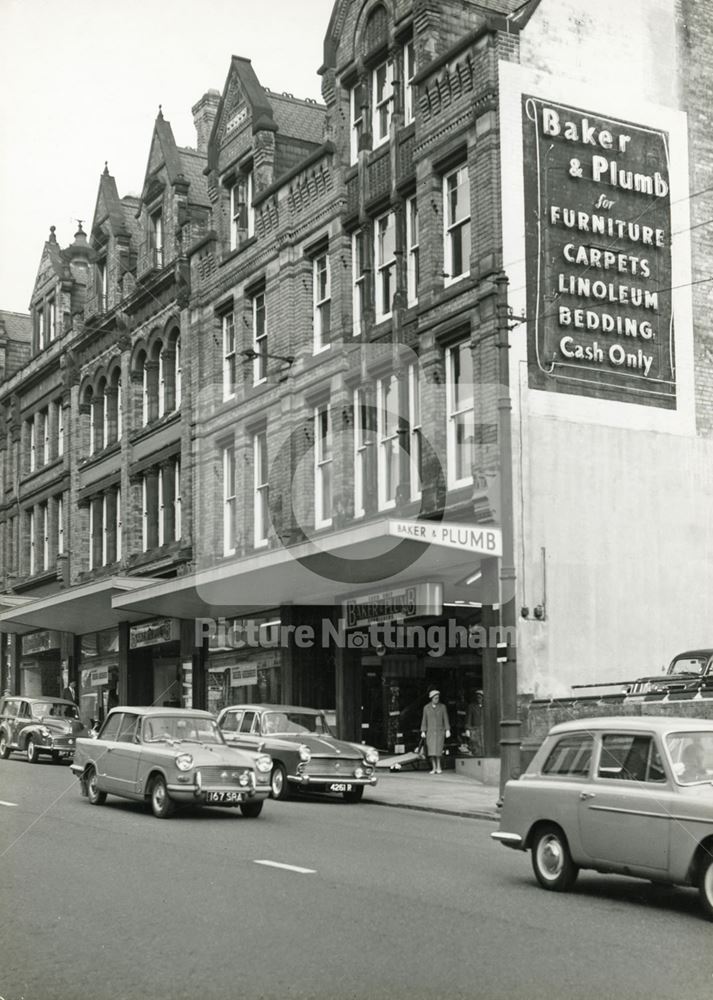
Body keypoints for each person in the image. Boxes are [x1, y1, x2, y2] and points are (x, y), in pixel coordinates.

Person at [420, 689, 451, 775]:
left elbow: (445, 718)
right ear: (431, 698)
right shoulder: (426, 708)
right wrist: (423, 731)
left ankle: (439, 767)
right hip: (430, 732)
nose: (437, 699)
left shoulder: (442, 707)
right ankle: (433, 768)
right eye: (435, 698)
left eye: (438, 698)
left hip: (440, 732)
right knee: (431, 751)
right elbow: (424, 720)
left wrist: (447, 729)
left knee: (438, 751)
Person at [465, 690, 485, 757]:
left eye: (480, 697)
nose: (479, 699)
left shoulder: (486, 707)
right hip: (475, 729)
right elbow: (469, 718)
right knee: (475, 746)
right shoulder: (471, 706)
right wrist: (467, 729)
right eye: (478, 697)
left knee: (484, 745)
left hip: (484, 729)